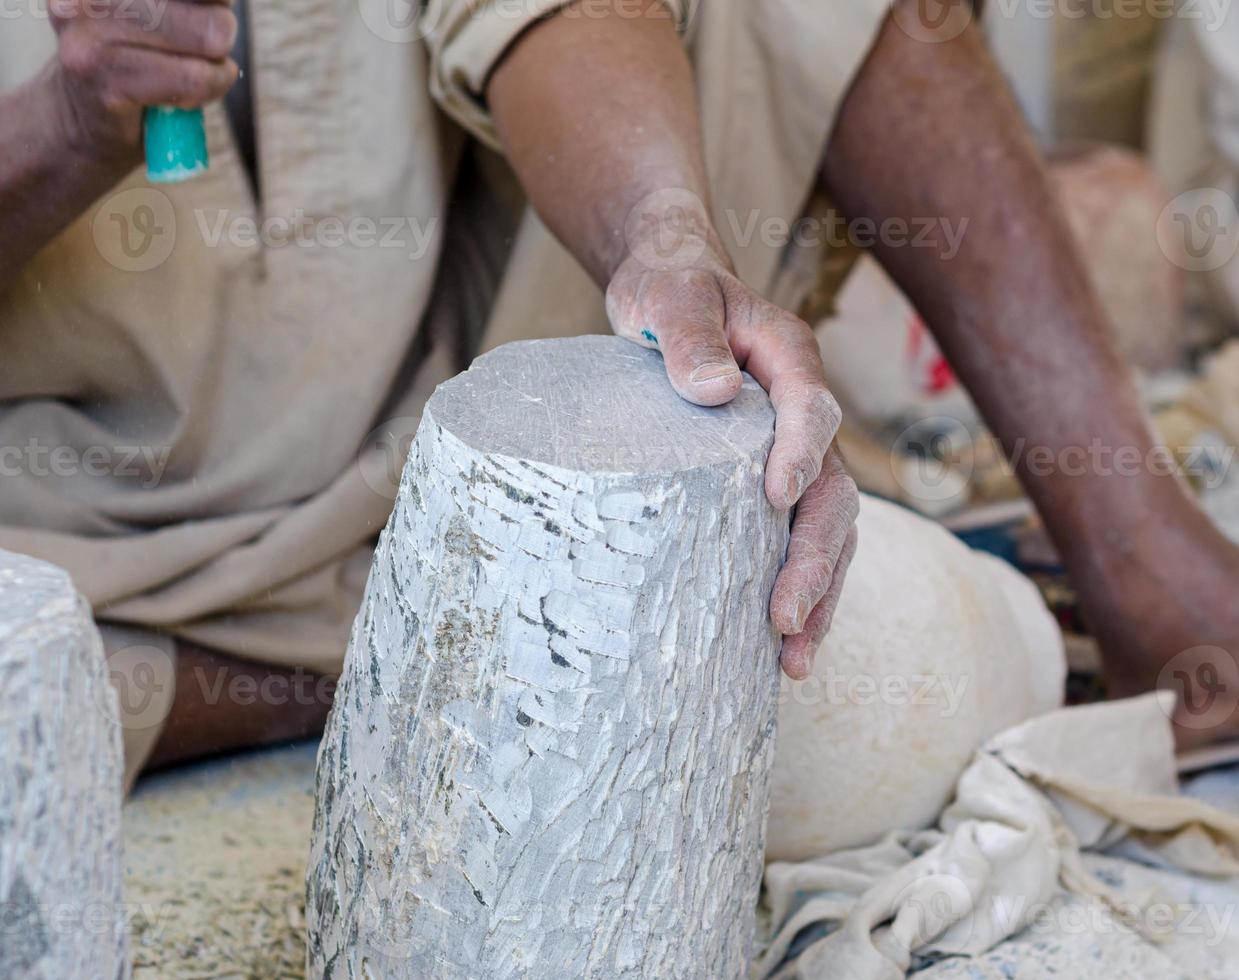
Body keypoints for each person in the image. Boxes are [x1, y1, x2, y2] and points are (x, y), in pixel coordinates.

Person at [0, 0, 1232, 785]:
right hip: (95, 532)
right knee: (27, 703)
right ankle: (402, 654)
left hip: (477, 351)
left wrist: (666, 238)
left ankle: (1147, 560)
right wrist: (62, 125)